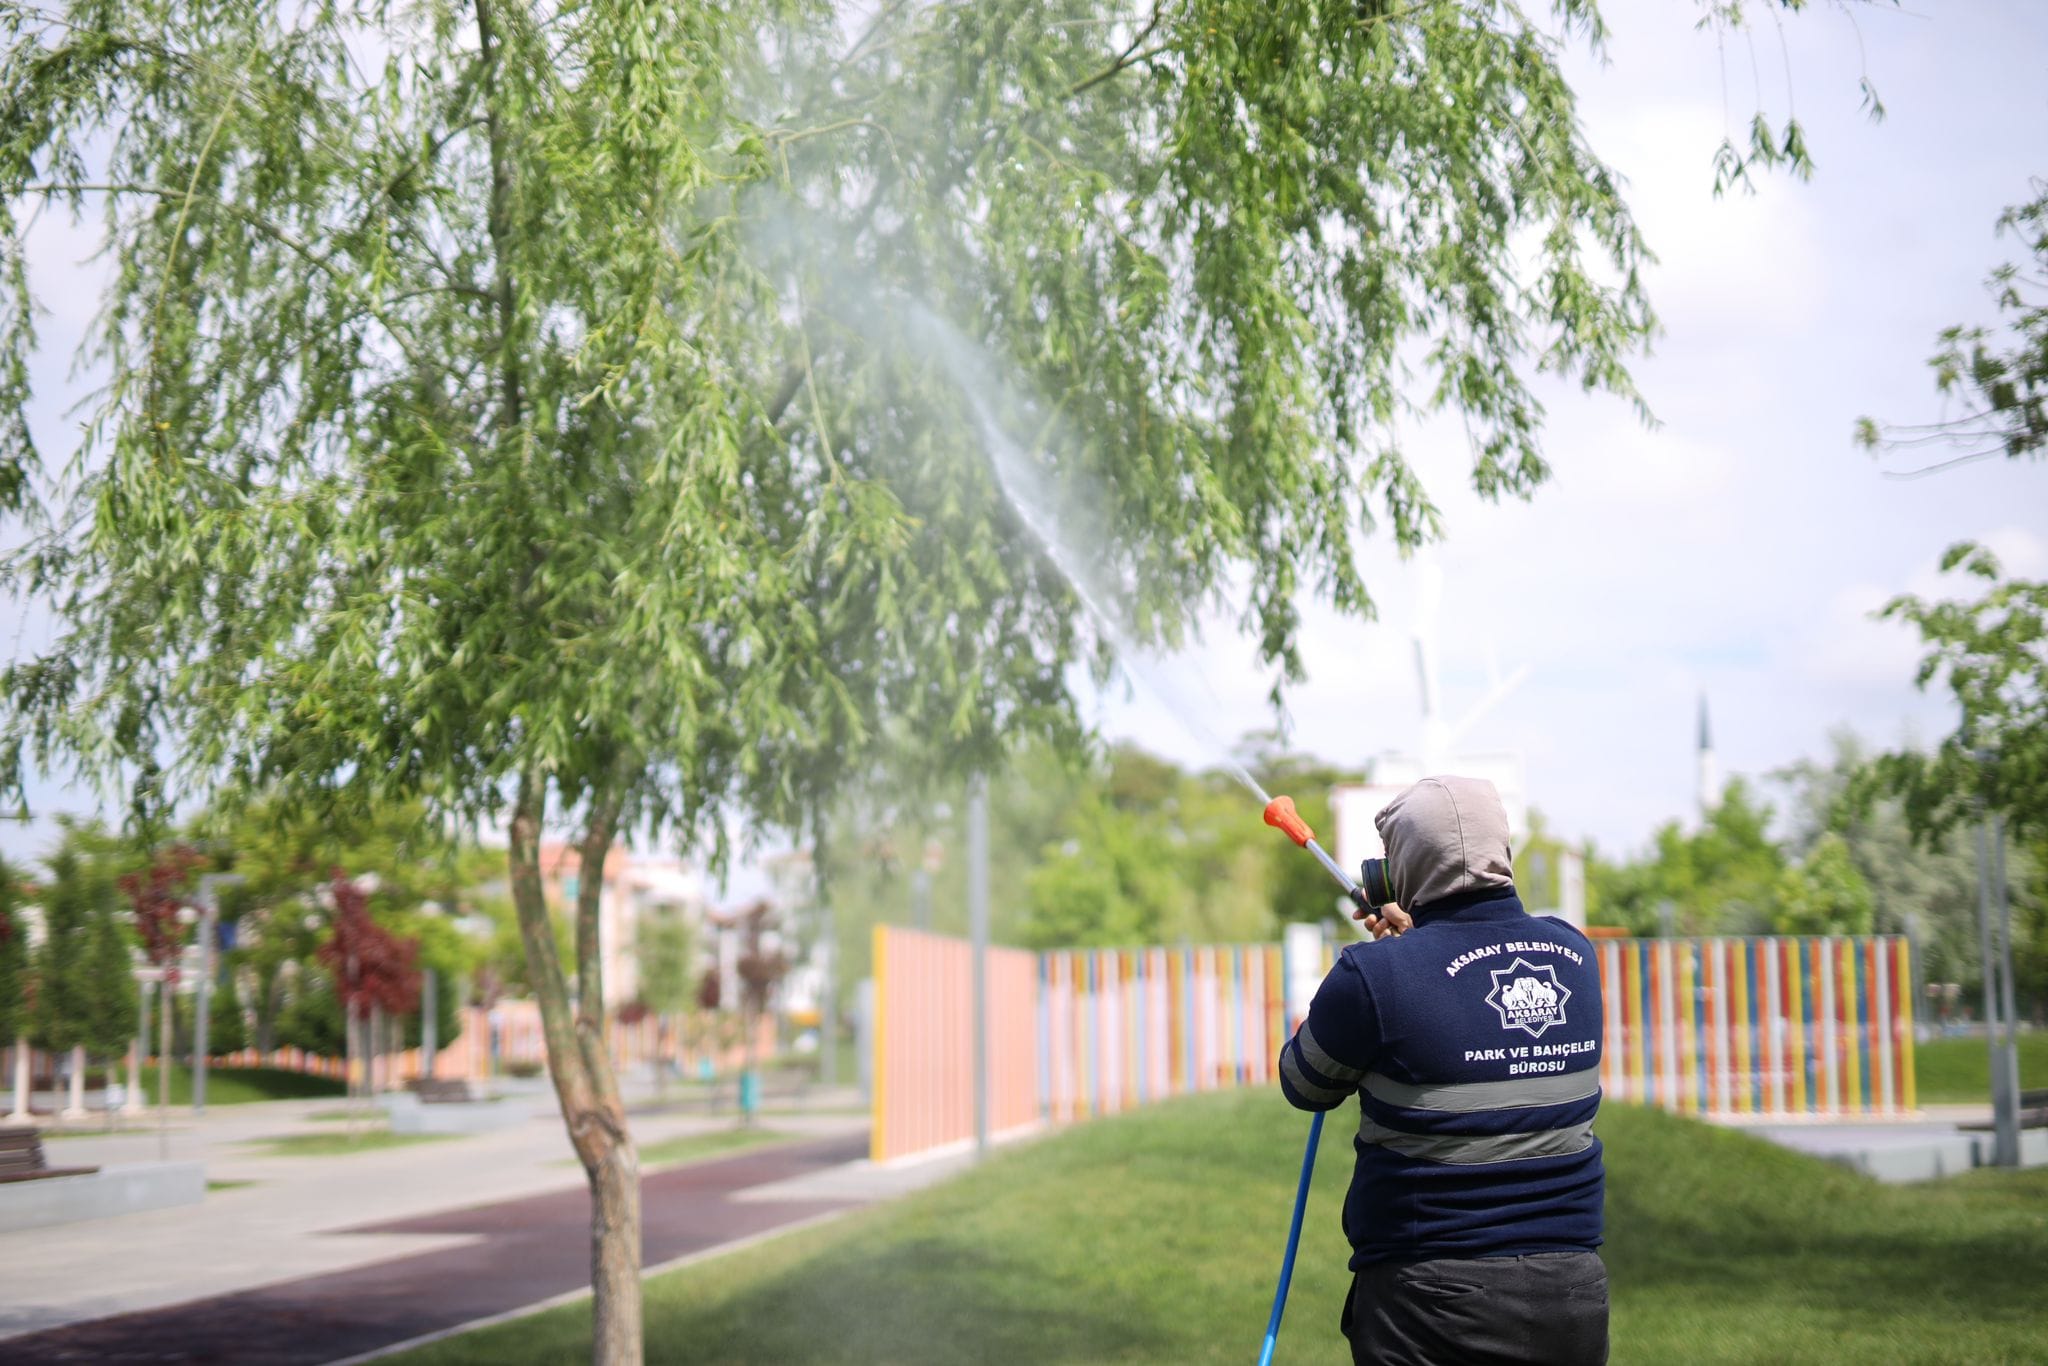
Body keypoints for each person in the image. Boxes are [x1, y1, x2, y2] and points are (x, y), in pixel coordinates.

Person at [1278, 775, 1607, 1366]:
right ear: (1502, 852)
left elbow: (1303, 1083)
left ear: (1399, 872)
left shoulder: (1373, 977)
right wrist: (1417, 945)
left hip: (1429, 1302)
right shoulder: (1575, 954)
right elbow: (1468, 983)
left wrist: (1377, 967)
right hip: (1574, 1294)